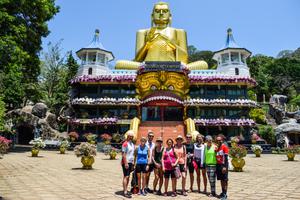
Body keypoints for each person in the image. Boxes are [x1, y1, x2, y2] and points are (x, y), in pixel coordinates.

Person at [121, 130, 135, 198]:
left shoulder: (132, 144)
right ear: (127, 136)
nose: (131, 137)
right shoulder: (125, 143)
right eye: (129, 136)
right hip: (126, 162)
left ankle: (126, 189)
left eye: (132, 136)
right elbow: (123, 154)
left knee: (128, 176)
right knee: (126, 176)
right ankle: (125, 191)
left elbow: (132, 154)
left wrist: (133, 163)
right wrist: (126, 163)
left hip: (130, 162)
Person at [216, 134, 229, 200]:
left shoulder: (224, 147)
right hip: (218, 165)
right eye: (217, 140)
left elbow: (226, 158)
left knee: (225, 180)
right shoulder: (218, 148)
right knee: (221, 180)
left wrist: (225, 167)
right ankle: (223, 192)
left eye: (220, 140)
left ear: (222, 140)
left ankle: (225, 194)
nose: (218, 141)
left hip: (223, 165)